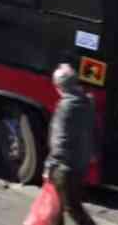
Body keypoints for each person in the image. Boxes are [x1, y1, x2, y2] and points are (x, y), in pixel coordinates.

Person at [45, 63, 98, 225]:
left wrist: (49, 167)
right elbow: (93, 131)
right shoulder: (87, 102)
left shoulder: (66, 106)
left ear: (60, 86)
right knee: (57, 207)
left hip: (64, 168)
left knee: (71, 207)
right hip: (80, 164)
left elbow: (60, 142)